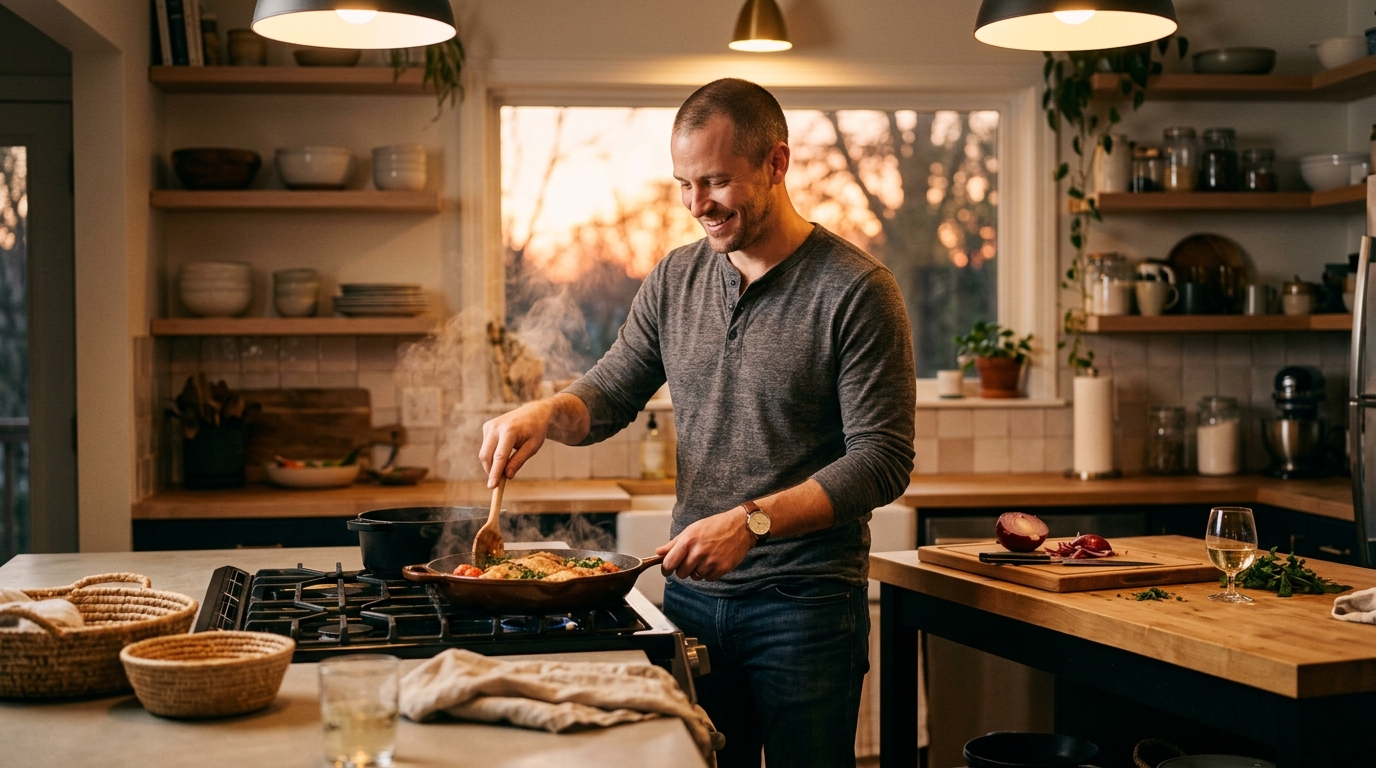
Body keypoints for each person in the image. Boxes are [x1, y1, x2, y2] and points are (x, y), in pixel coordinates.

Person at [479, 78, 915, 768]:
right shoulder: (676, 278)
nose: (696, 205)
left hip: (805, 606)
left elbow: (882, 458)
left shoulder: (856, 290)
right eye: (683, 183)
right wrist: (545, 412)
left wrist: (753, 521)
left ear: (776, 163)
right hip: (690, 598)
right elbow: (613, 391)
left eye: (716, 181)